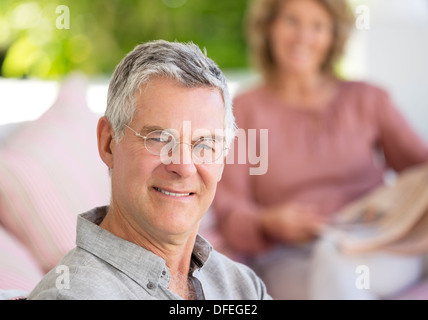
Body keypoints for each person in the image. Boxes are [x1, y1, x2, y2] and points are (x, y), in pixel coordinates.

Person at [212, 0, 428, 299]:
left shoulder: (368, 99)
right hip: (289, 256)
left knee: (333, 259)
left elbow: (421, 171)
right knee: (330, 265)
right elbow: (230, 208)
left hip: (377, 245)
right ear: (269, 27)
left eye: (318, 26)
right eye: (292, 21)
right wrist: (269, 222)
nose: (303, 36)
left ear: (333, 36)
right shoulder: (246, 110)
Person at [28, 40, 271, 300]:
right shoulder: (73, 295)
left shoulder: (243, 287)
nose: (184, 167)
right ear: (108, 143)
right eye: (159, 138)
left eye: (204, 144)